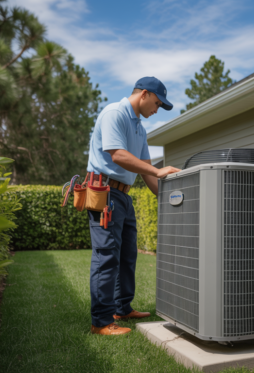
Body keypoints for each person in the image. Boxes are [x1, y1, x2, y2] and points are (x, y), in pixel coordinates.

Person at [86, 77, 180, 335]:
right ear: (144, 94)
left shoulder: (139, 127)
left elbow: (148, 173)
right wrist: (157, 170)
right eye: (158, 103)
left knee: (127, 255)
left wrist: (171, 199)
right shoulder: (114, 113)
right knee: (106, 256)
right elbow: (117, 154)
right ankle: (101, 322)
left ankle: (121, 307)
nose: (157, 110)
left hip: (124, 197)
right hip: (105, 192)